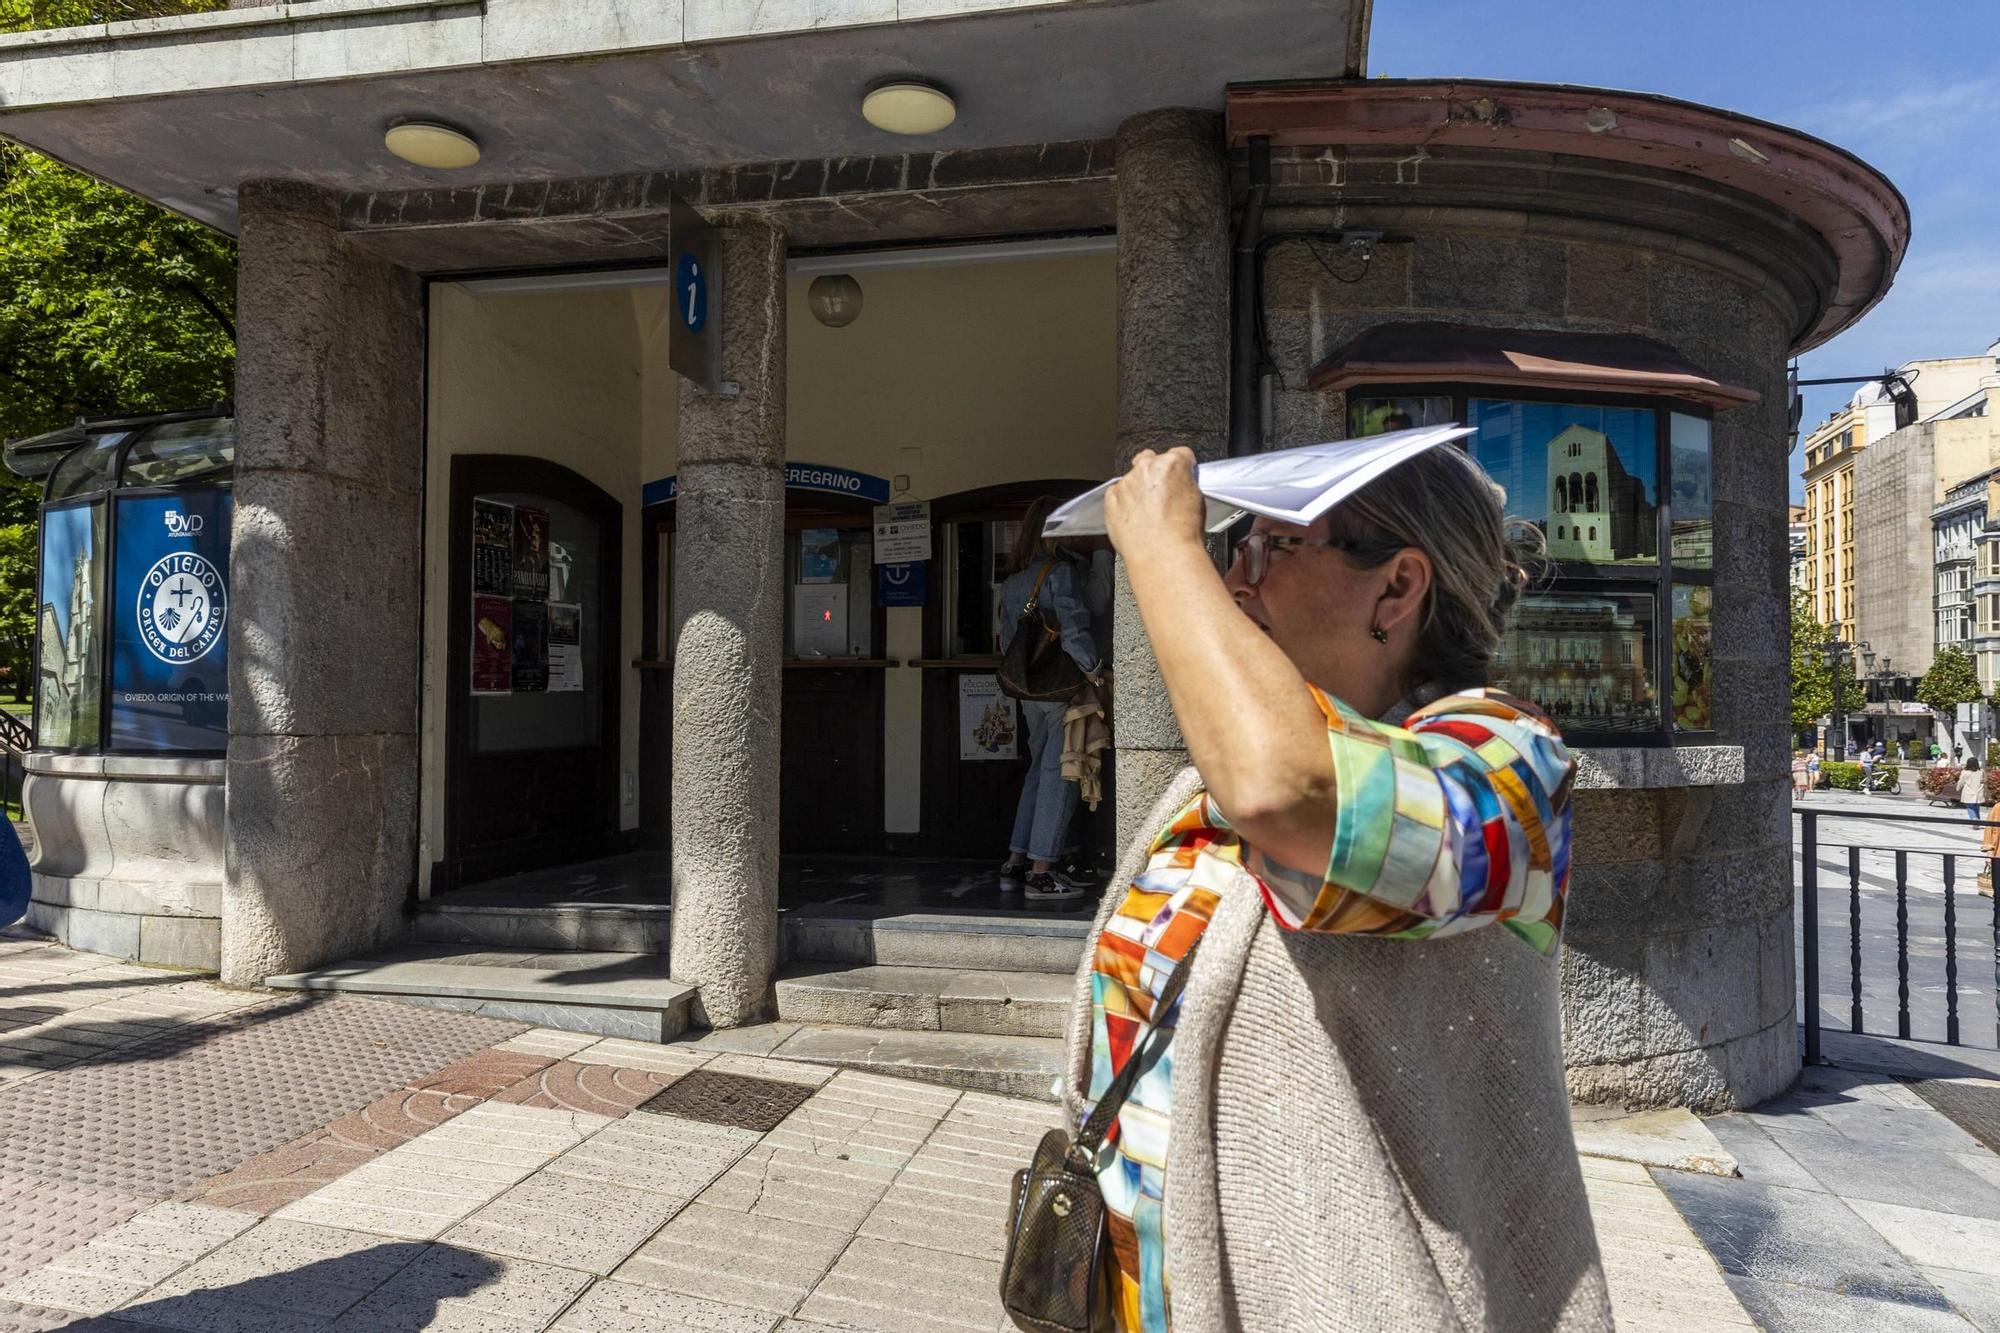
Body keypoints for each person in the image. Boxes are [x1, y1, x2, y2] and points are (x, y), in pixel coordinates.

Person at [1063, 443, 1611, 1331]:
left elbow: (1291, 792)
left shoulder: (1508, 770)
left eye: (1269, 548)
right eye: (1230, 550)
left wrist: (1167, 551)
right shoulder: (1218, 779)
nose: (1237, 585)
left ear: (1396, 589)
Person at [997, 496, 1103, 902]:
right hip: (1060, 687)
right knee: (1062, 772)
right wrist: (1093, 670)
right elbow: (1074, 629)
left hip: (1027, 689)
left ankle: (1016, 860)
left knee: (1037, 771)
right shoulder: (1061, 573)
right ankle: (1042, 872)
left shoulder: (1013, 580)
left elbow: (1008, 640)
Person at [1962, 756, 1986, 821]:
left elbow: (1961, 781)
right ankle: (1977, 820)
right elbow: (1985, 780)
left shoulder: (1965, 772)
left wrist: (1958, 788)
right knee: (1976, 807)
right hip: (1979, 792)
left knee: (1969, 807)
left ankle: (1974, 819)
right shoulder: (1981, 771)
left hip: (1968, 792)